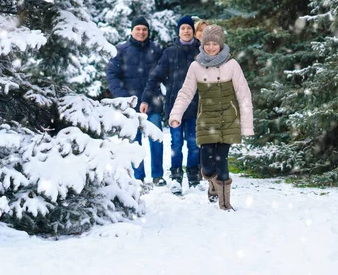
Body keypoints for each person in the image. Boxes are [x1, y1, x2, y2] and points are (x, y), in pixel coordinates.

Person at [169, 25, 254, 210]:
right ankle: (212, 184)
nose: (211, 47)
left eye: (215, 43)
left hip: (228, 119)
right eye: (207, 43)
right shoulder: (196, 66)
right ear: (202, 44)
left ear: (221, 44)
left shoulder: (232, 65)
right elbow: (185, 93)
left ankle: (225, 203)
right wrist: (176, 114)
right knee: (207, 163)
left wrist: (247, 126)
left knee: (221, 159)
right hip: (206, 119)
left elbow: (244, 95)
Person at [140, 16, 201, 195]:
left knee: (194, 144)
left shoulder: (201, 51)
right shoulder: (170, 52)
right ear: (178, 31)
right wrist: (145, 99)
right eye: (183, 28)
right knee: (176, 143)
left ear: (193, 31)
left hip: (197, 105)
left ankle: (194, 177)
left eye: (189, 28)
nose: (186, 31)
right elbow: (155, 76)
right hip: (175, 107)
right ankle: (176, 177)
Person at [106, 16, 166, 187]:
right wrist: (124, 98)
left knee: (156, 141)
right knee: (134, 142)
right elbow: (112, 75)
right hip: (131, 107)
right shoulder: (121, 50)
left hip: (152, 103)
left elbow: (164, 73)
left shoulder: (156, 50)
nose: (141, 32)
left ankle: (158, 175)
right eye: (138, 29)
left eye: (144, 29)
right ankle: (138, 176)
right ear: (132, 30)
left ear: (148, 31)